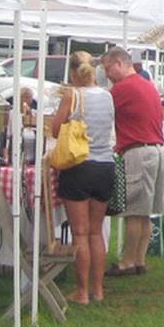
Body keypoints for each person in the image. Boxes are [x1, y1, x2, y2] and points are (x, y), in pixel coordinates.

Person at [50, 51, 115, 305]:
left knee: (80, 232)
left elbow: (56, 129)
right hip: (105, 166)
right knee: (96, 232)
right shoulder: (108, 96)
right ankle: (99, 289)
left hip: (79, 166)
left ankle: (82, 291)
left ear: (74, 74)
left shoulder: (72, 95)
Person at [101, 46, 164, 276]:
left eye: (108, 68)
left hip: (138, 152)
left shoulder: (122, 88)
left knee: (133, 211)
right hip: (158, 150)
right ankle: (139, 260)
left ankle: (127, 261)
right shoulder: (147, 85)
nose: (107, 74)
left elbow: (101, 111)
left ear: (120, 63)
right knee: (145, 212)